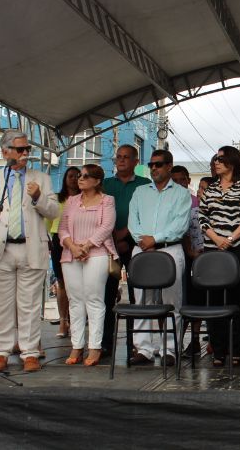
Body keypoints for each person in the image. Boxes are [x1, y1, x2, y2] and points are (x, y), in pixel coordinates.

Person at [0, 130, 59, 372]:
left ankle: (30, 352)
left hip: (30, 247)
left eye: (27, 149)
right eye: (20, 149)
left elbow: (54, 212)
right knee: (1, 305)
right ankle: (1, 351)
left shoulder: (41, 178)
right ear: (5, 152)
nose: (25, 154)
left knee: (29, 304)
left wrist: (39, 197)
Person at [128, 149, 191, 368]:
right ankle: (143, 349)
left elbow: (180, 225)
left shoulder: (181, 193)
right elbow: (133, 222)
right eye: (151, 164)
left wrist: (155, 239)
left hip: (169, 249)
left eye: (158, 164)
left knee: (171, 301)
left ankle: (170, 349)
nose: (153, 168)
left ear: (169, 166)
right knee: (142, 301)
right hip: (142, 249)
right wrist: (143, 241)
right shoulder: (140, 192)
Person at [199, 146, 240, 367]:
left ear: (232, 162)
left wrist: (230, 239)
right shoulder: (211, 189)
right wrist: (217, 239)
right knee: (214, 301)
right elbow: (202, 217)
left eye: (220, 159)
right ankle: (218, 349)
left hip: (238, 249)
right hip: (213, 249)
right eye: (215, 159)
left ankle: (236, 350)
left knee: (238, 300)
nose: (216, 162)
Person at [58, 164, 117, 367]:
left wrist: (86, 246)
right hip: (71, 254)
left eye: (85, 176)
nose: (80, 179)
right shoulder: (72, 201)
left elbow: (107, 226)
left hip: (97, 253)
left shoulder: (107, 200)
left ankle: (95, 346)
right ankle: (76, 345)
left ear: (97, 181)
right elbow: (62, 229)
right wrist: (73, 247)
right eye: (79, 176)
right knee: (75, 300)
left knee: (94, 299)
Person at [102, 145, 151, 355]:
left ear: (135, 161)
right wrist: (113, 237)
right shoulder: (105, 184)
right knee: (106, 294)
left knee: (136, 296)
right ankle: (105, 343)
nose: (121, 160)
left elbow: (147, 215)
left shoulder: (145, 184)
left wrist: (126, 235)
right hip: (107, 245)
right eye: (118, 157)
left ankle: (136, 344)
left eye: (126, 157)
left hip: (135, 245)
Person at [170, 165, 205, 357]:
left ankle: (195, 340)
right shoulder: (166, 202)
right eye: (174, 181)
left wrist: (193, 252)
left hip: (195, 257)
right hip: (173, 255)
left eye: (182, 180)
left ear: (188, 181)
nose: (178, 184)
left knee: (195, 298)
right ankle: (174, 342)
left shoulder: (196, 202)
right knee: (177, 300)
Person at [49, 167, 80, 339]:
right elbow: (47, 221)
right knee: (61, 283)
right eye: (70, 176)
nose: (74, 179)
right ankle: (63, 320)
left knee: (76, 283)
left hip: (78, 240)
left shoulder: (85, 198)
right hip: (58, 240)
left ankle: (76, 321)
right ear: (65, 178)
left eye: (77, 176)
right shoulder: (56, 198)